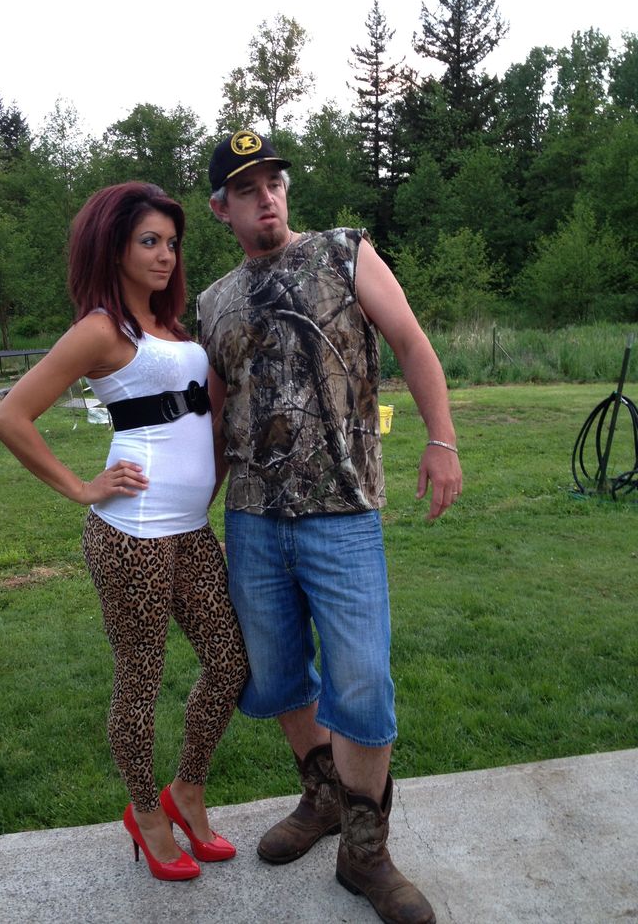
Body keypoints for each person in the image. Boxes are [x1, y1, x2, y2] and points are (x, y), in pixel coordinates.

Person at [198, 130, 463, 924]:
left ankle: (366, 852)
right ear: (222, 208)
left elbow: (411, 340)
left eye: (274, 181)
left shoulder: (345, 252)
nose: (267, 196)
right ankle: (322, 798)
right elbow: (218, 422)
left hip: (342, 518)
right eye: (247, 189)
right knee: (278, 676)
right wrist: (191, 519)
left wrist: (441, 438)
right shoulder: (212, 302)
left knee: (363, 685)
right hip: (251, 521)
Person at [0, 181, 248, 882]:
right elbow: (10, 416)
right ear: (116, 247)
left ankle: (187, 788)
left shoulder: (173, 330)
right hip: (131, 533)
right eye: (149, 242)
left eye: (171, 242)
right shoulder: (103, 329)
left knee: (230, 663)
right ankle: (146, 810)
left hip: (190, 530)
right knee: (140, 680)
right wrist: (81, 487)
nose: (165, 255)